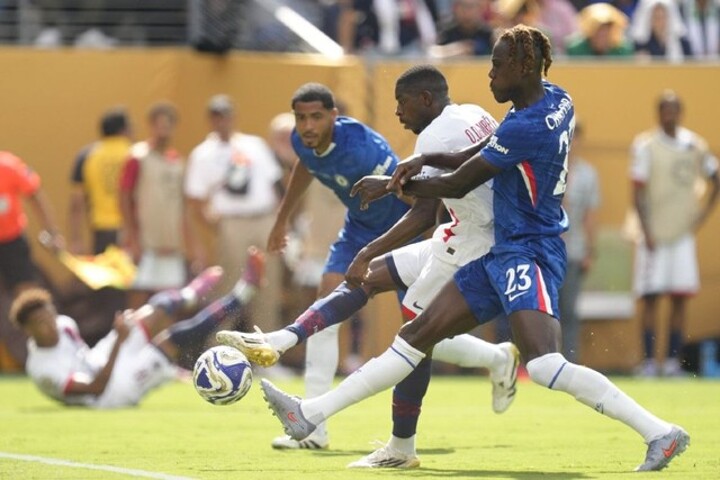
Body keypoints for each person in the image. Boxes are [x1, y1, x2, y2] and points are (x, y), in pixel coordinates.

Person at [259, 25, 690, 472]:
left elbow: (459, 182)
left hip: (528, 250)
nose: (490, 75)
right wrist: (422, 160)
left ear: (524, 66)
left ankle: (658, 432)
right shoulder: (556, 99)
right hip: (499, 250)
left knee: (544, 366)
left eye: (497, 65)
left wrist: (390, 184)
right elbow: (484, 150)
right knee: (414, 336)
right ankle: (310, 414)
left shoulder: (524, 124)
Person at [218, 68, 519, 466]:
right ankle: (305, 397)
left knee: (417, 337)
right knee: (359, 299)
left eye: (316, 117)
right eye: (300, 118)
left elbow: (421, 207)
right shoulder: (470, 114)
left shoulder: (374, 146)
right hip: (397, 230)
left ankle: (493, 363)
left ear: (334, 116)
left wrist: (379, 233)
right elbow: (307, 164)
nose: (307, 126)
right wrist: (282, 220)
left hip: (431, 235)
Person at [9, 248, 265, 408]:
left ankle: (189, 294)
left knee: (153, 309)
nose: (50, 326)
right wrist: (119, 343)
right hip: (112, 393)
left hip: (99, 360)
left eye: (50, 317)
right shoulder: (42, 369)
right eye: (40, 324)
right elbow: (96, 388)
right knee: (174, 338)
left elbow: (85, 358)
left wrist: (120, 338)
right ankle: (244, 292)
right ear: (28, 331)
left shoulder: (64, 324)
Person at [631, 90, 719, 377]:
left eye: (673, 110)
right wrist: (645, 230)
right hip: (653, 235)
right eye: (664, 110)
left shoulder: (695, 145)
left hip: (682, 235)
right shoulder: (646, 146)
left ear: (681, 113)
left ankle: (671, 362)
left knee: (680, 298)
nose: (669, 115)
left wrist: (700, 216)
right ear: (658, 113)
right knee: (651, 297)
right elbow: (637, 192)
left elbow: (715, 177)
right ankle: (648, 361)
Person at [184, 94, 283, 330]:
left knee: (268, 285)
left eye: (226, 116)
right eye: (217, 117)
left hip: (263, 218)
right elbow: (195, 197)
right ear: (210, 120)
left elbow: (275, 183)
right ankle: (219, 340)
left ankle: (265, 342)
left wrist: (280, 220)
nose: (222, 121)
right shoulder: (204, 153)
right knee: (229, 283)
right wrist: (213, 224)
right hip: (231, 221)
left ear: (234, 117)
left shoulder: (254, 145)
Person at [119, 101, 198, 308]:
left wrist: (193, 245)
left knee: (168, 303)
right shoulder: (138, 157)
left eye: (168, 125)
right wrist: (132, 237)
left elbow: (182, 207)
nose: (163, 130)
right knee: (138, 297)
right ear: (151, 126)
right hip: (145, 242)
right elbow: (125, 197)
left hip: (170, 244)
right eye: (159, 125)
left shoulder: (177, 162)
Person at [558, 122, 600, 363]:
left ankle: (569, 361)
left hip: (573, 249)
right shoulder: (548, 166)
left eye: (575, 138)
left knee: (570, 310)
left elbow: (590, 215)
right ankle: (542, 359)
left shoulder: (588, 174)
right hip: (545, 249)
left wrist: (590, 251)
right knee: (541, 309)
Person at [68, 108, 132, 256]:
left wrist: (76, 239)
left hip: (102, 231)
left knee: (104, 270)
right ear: (124, 130)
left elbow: (76, 203)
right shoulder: (135, 154)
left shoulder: (87, 155)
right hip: (131, 230)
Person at [0, 151, 64, 297]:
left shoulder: (8, 165)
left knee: (26, 291)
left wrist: (52, 232)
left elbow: (35, 195)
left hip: (12, 240)